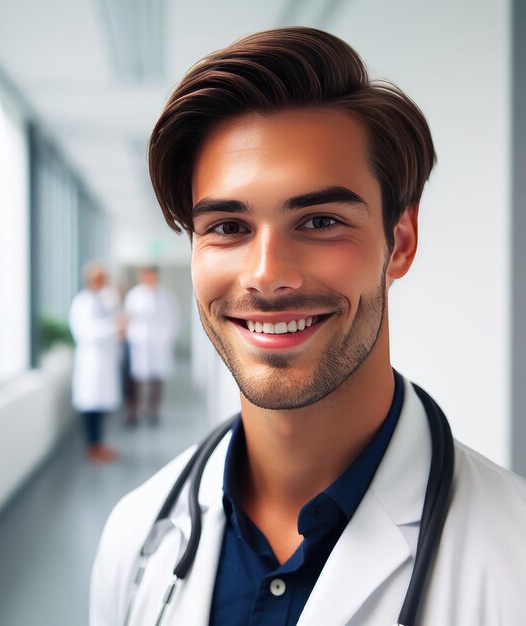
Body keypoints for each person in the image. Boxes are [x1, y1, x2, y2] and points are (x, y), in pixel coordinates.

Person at [90, 28, 526, 625]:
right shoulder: (135, 538)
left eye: (320, 221)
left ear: (399, 243)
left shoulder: (513, 560)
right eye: (226, 227)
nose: (267, 277)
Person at [69, 262, 123, 463]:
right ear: (94, 279)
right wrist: (114, 327)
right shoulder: (83, 302)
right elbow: (88, 333)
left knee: (98, 406)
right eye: (102, 278)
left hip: (102, 361)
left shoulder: (99, 299)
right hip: (92, 362)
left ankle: (98, 444)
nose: (105, 282)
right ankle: (93, 446)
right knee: (91, 406)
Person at [123, 266, 179, 426]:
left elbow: (173, 319)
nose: (148, 278)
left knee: (156, 379)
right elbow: (128, 318)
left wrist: (166, 339)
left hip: (158, 343)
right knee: (135, 380)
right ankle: (133, 411)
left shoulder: (166, 296)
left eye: (151, 275)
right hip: (138, 342)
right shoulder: (134, 295)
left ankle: (153, 411)